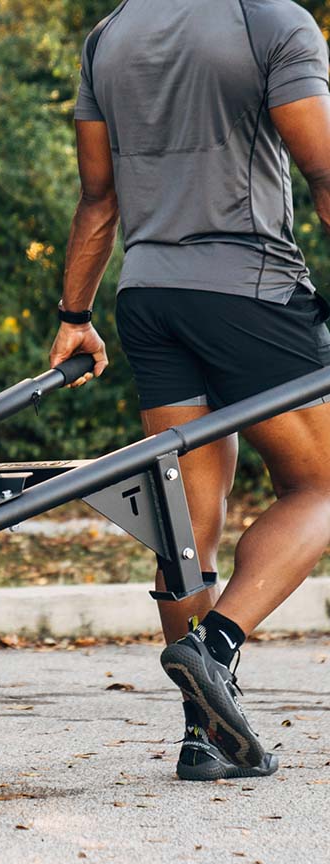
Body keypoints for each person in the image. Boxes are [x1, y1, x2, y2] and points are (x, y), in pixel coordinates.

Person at [48, 0, 330, 781]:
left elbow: (99, 200)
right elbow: (325, 171)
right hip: (252, 290)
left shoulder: (109, 36)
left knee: (188, 526)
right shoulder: (274, 22)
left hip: (149, 297)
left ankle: (203, 737)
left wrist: (75, 314)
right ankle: (215, 646)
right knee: (323, 484)